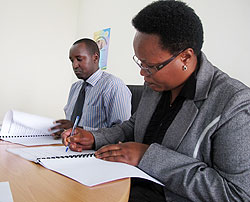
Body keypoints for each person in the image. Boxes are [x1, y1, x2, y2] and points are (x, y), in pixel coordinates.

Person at [62, 1, 250, 201]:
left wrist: (147, 156)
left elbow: (236, 193)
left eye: (150, 66)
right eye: (140, 62)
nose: (143, 73)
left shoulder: (234, 104)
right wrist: (94, 138)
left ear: (185, 57)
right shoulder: (156, 86)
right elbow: (133, 126)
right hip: (127, 183)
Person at [51, 38, 131, 137]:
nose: (75, 65)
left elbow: (122, 132)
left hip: (96, 150)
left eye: (79, 59)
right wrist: (63, 129)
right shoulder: (75, 87)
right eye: (72, 61)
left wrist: (78, 130)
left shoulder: (113, 86)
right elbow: (71, 123)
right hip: (70, 146)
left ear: (95, 58)